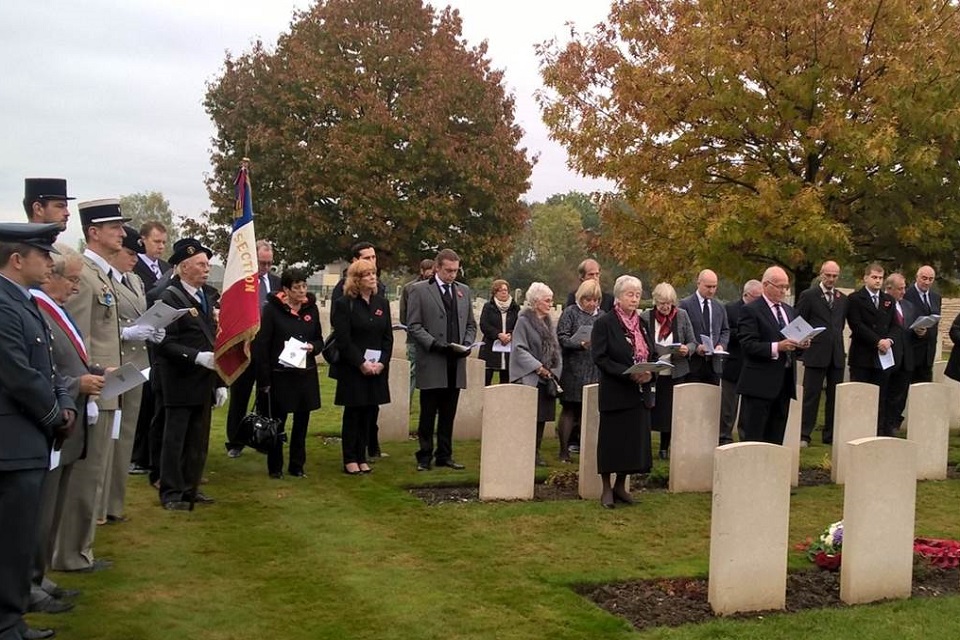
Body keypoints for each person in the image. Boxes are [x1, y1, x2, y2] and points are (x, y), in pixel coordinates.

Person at [0, 222, 76, 640]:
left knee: (19, 535)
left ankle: (11, 617)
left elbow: (49, 369)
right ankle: (7, 623)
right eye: (42, 255)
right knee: (11, 539)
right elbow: (18, 374)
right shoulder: (4, 304)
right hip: (13, 440)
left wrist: (63, 403)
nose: (49, 263)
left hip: (28, 437)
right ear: (17, 259)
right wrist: (55, 415)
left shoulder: (24, 301)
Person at [53, 199, 130, 573]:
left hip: (105, 385)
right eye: (114, 227)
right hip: (93, 388)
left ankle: (80, 549)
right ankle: (71, 554)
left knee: (95, 473)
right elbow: (77, 336)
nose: (122, 232)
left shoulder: (103, 276)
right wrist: (91, 391)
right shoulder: (82, 275)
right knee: (84, 476)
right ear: (94, 233)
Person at [31, 244, 103, 616]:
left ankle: (38, 576)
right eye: (72, 279)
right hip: (52, 417)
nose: (76, 288)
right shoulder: (37, 308)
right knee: (40, 509)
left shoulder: (54, 309)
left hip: (68, 414)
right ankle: (29, 581)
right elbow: (41, 367)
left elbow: (70, 354)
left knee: (53, 505)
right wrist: (78, 384)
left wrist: (93, 370)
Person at [155, 239, 228, 510]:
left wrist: (220, 382)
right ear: (184, 268)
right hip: (179, 378)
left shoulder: (205, 297)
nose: (207, 269)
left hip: (203, 380)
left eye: (208, 264)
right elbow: (163, 342)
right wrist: (196, 357)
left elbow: (212, 341)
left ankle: (190, 487)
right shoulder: (170, 298)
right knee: (176, 439)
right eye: (201, 264)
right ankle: (171, 492)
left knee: (198, 439)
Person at [101, 226, 158, 522]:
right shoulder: (104, 280)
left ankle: (114, 504)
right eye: (129, 253)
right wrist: (127, 332)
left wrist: (151, 330)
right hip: (114, 362)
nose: (134, 259)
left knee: (125, 437)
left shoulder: (135, 281)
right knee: (106, 438)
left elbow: (141, 315)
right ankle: (99, 503)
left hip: (137, 365)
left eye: (137, 254)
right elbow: (100, 325)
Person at [407, 248, 477, 471]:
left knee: (448, 412)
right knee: (428, 412)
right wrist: (433, 344)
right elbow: (414, 326)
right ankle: (424, 456)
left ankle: (444, 454)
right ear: (437, 268)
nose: (452, 275)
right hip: (433, 358)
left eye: (456, 271)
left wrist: (466, 343)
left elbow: (470, 324)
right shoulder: (419, 291)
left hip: (454, 361)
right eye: (448, 271)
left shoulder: (463, 291)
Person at [591, 275, 656, 509]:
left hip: (638, 394)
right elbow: (600, 357)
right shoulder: (605, 323)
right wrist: (627, 372)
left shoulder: (643, 324)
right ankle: (606, 488)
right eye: (630, 294)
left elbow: (653, 355)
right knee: (612, 442)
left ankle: (621, 485)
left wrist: (650, 372)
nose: (635, 299)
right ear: (618, 296)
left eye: (638, 295)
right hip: (616, 391)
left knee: (631, 443)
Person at [255, 268, 324, 478]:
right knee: (278, 422)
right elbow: (262, 346)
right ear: (286, 289)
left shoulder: (311, 310)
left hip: (305, 374)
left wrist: (312, 347)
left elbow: (320, 340)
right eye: (297, 287)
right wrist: (264, 380)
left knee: (302, 423)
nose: (302, 291)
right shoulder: (272, 311)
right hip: (281, 375)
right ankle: (275, 466)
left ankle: (297, 465)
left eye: (304, 286)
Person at [331, 260, 392, 475]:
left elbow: (387, 338)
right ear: (356, 279)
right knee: (354, 413)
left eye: (373, 273)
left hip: (376, 367)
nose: (372, 277)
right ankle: (350, 458)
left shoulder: (381, 304)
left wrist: (382, 362)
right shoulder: (344, 304)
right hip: (354, 368)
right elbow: (343, 339)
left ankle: (362, 455)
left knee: (369, 413)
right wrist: (361, 363)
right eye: (367, 274)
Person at [737, 266, 808, 444]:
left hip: (784, 382)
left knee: (776, 437)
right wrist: (778, 347)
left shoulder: (789, 310)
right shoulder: (751, 310)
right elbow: (748, 345)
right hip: (759, 383)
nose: (784, 291)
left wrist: (802, 344)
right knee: (755, 437)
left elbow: (793, 345)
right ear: (766, 285)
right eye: (780, 286)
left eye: (786, 286)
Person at [224, 239, 281, 457]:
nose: (265, 268)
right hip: (245, 347)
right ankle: (236, 441)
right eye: (262, 263)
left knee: (266, 394)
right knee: (240, 395)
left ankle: (263, 437)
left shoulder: (276, 284)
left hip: (268, 348)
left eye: (269, 263)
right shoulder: (243, 284)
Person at [130, 220, 171, 475]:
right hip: (138, 340)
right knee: (142, 399)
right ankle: (137, 454)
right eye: (156, 241)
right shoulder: (135, 268)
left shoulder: (166, 268)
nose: (161, 247)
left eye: (164, 242)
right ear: (143, 240)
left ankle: (152, 453)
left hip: (160, 340)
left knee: (157, 399)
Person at [795, 260, 847, 446]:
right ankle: (804, 434)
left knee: (834, 397)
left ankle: (830, 434)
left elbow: (839, 325)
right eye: (828, 275)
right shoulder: (809, 295)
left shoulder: (842, 298)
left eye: (834, 276)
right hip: (816, 352)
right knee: (811, 395)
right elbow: (799, 320)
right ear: (821, 274)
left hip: (836, 354)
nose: (831, 279)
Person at [641, 282, 696, 458]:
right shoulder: (645, 317)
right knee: (649, 408)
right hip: (653, 370)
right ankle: (644, 446)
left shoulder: (681, 316)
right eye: (661, 303)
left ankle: (664, 448)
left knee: (669, 411)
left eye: (668, 303)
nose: (665, 307)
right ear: (655, 302)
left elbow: (692, 342)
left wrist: (687, 349)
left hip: (675, 370)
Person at [510, 282, 563, 466]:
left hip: (547, 378)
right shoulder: (523, 321)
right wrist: (538, 367)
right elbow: (519, 348)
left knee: (541, 418)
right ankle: (523, 450)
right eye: (547, 300)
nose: (550, 303)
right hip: (530, 376)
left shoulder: (549, 322)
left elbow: (556, 348)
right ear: (536, 302)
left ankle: (536, 451)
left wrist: (555, 370)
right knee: (528, 418)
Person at [555, 279, 602, 462]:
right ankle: (564, 451)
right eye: (587, 300)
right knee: (570, 409)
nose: (591, 304)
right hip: (574, 367)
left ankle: (586, 450)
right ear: (580, 298)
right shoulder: (570, 313)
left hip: (594, 368)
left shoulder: (601, 315)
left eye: (595, 300)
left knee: (588, 410)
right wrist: (579, 343)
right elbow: (562, 338)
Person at [846, 262, 897, 423]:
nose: (878, 281)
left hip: (882, 357)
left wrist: (889, 340)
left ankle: (877, 429)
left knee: (880, 397)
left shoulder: (888, 300)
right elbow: (857, 325)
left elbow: (895, 324)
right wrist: (877, 341)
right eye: (874, 277)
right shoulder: (855, 299)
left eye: (880, 278)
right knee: (860, 396)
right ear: (866, 278)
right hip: (862, 355)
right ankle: (857, 427)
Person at [719, 280, 763, 444]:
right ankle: (725, 436)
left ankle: (745, 436)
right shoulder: (731, 309)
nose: (760, 300)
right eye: (757, 297)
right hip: (734, 362)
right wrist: (745, 334)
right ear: (746, 295)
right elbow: (725, 331)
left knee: (748, 406)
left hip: (752, 364)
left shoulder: (760, 311)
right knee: (729, 406)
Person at [879, 273, 919, 436]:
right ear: (889, 289)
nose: (903, 292)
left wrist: (920, 331)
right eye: (900, 289)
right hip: (887, 356)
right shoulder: (882, 304)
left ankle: (892, 425)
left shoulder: (908, 306)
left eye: (904, 288)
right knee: (884, 394)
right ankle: (881, 427)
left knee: (898, 396)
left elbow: (910, 330)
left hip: (906, 358)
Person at [679, 269, 729, 385]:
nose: (711, 290)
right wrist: (696, 347)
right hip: (693, 364)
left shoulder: (719, 307)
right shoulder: (685, 305)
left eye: (714, 287)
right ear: (698, 283)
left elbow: (725, 330)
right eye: (708, 286)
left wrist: (721, 345)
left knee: (712, 400)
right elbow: (681, 332)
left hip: (713, 365)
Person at [399, 259, 435, 397]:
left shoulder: (438, 287)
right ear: (421, 270)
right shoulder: (410, 288)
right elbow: (404, 313)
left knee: (433, 371)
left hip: (433, 336)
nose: (431, 273)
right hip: (414, 337)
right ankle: (406, 401)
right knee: (412, 370)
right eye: (428, 269)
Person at [903, 265, 941, 383]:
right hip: (911, 351)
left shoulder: (936, 297)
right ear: (917, 277)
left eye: (930, 279)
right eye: (924, 278)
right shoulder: (907, 295)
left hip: (928, 353)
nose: (927, 282)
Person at [479, 279, 520, 385]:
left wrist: (510, 334)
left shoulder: (515, 308)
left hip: (509, 347)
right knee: (486, 378)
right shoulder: (488, 307)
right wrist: (497, 335)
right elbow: (484, 324)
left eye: (505, 290)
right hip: (491, 347)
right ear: (494, 292)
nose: (503, 292)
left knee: (506, 379)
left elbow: (518, 324)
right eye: (500, 290)